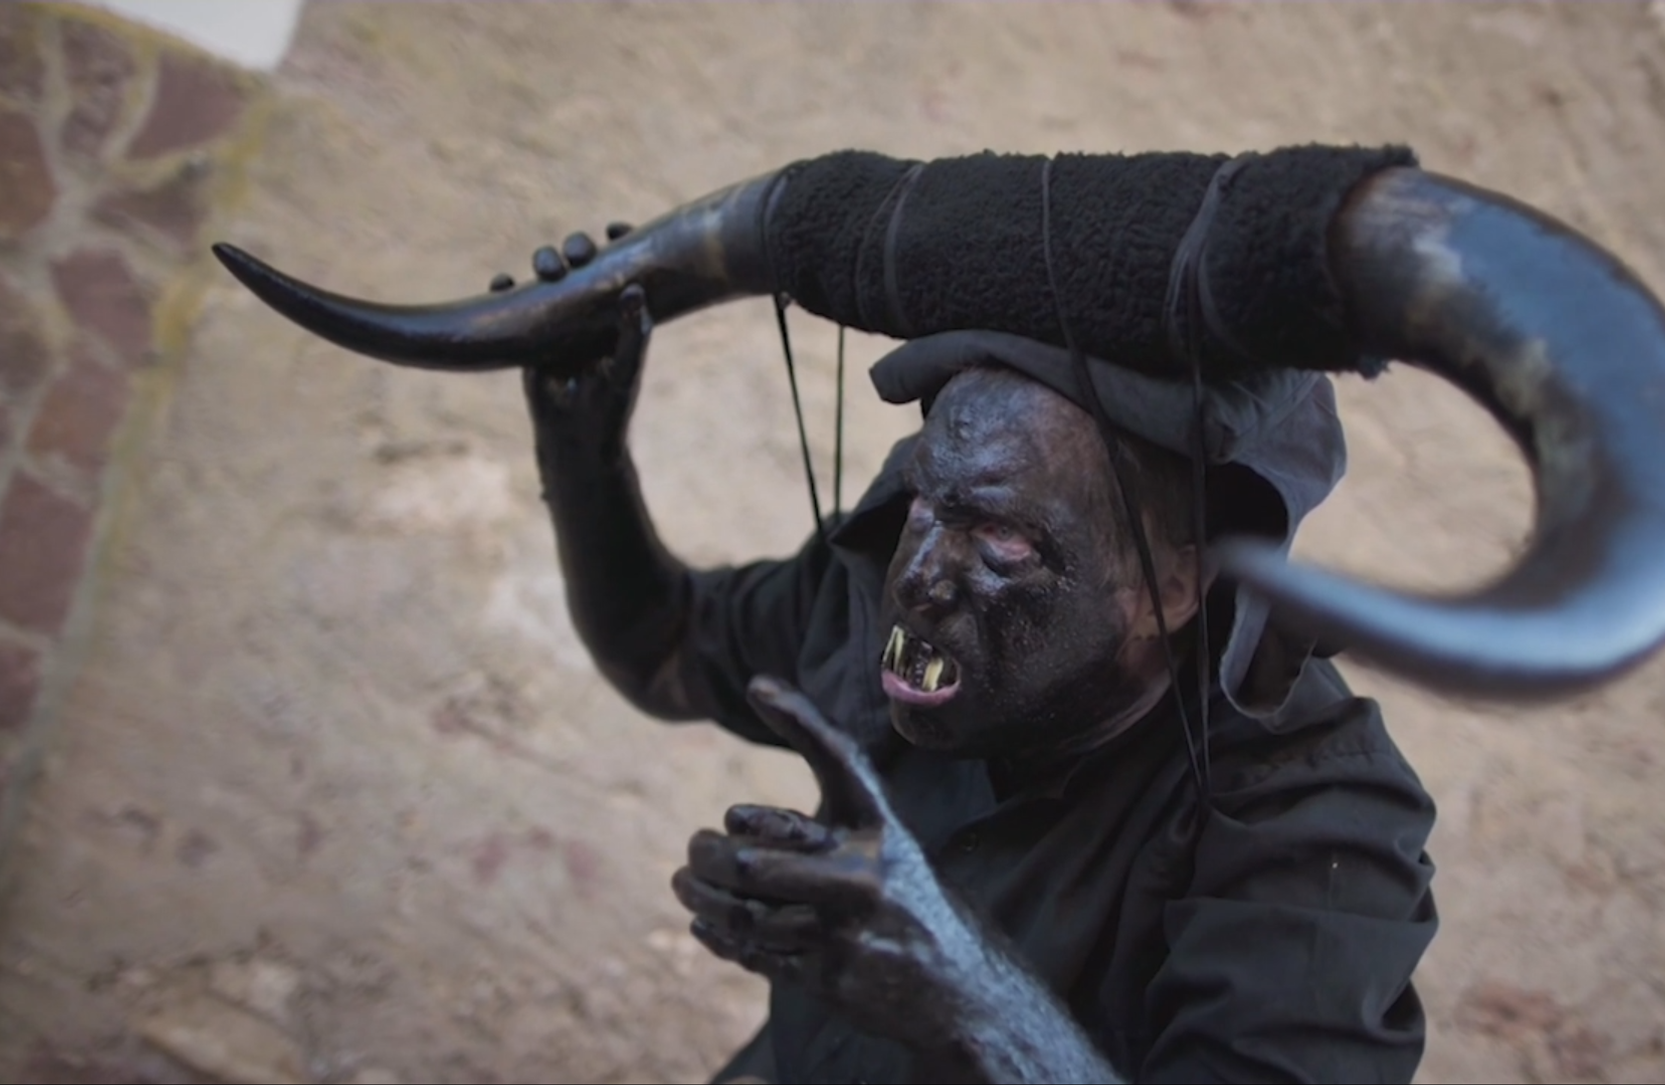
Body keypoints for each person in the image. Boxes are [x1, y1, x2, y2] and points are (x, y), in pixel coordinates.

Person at [526, 279, 1438, 1085]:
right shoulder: (884, 584)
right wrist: (581, 448)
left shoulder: (1310, 819)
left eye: (1004, 541)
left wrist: (961, 994)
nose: (919, 577)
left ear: (1171, 586)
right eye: (926, 499)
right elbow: (667, 649)